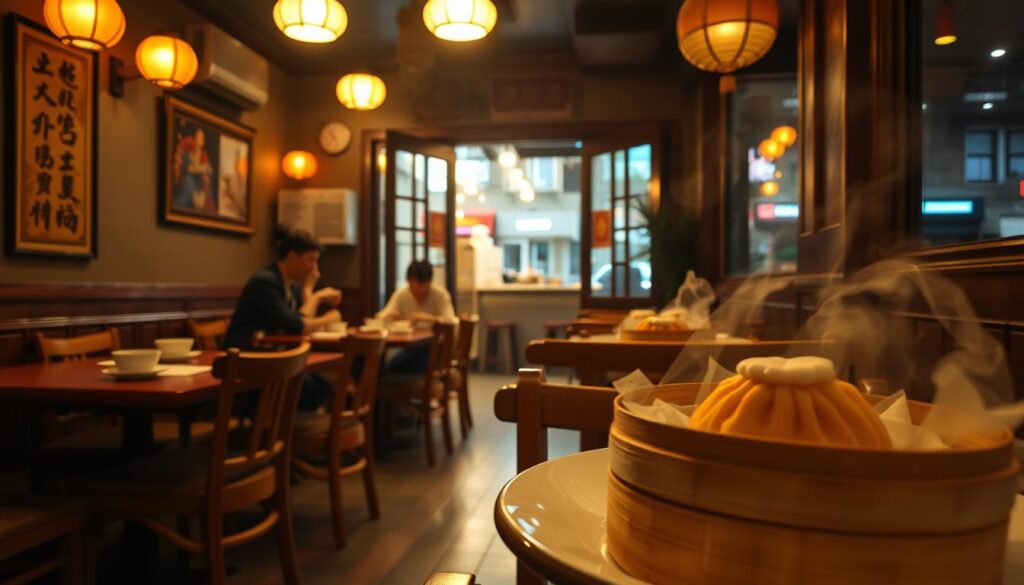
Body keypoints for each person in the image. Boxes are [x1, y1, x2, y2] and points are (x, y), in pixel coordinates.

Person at [225, 225, 342, 409]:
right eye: (310, 260)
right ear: (292, 256)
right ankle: (281, 433)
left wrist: (307, 290)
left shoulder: (292, 286)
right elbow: (297, 325)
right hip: (248, 365)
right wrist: (324, 310)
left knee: (319, 384)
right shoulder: (264, 282)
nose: (314, 268)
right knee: (312, 388)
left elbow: (304, 319)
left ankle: (287, 433)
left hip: (274, 361)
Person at [378, 261, 455, 374]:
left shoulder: (440, 295)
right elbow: (380, 317)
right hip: (410, 347)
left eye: (419, 284)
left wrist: (425, 317)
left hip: (436, 349)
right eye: (411, 283)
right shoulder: (402, 294)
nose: (414, 288)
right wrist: (389, 314)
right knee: (387, 366)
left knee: (395, 367)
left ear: (429, 283)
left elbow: (451, 321)